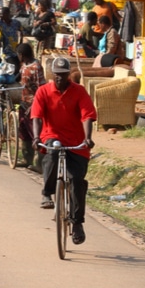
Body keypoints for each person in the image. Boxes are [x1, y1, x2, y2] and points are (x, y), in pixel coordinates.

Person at [32, 56, 97, 245]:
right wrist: (36, 138)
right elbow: (36, 116)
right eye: (57, 75)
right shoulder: (43, 91)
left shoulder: (79, 91)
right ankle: (47, 191)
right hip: (52, 135)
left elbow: (87, 116)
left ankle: (77, 223)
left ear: (69, 75)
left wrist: (87, 138)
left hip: (76, 141)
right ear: (52, 75)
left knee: (77, 181)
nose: (60, 78)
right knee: (52, 153)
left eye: (63, 75)